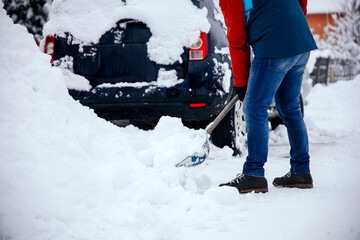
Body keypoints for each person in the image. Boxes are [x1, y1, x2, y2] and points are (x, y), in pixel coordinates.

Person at [218, 0, 317, 193]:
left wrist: (241, 83)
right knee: (290, 108)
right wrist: (291, 24)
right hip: (300, 41)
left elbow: (237, 39)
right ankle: (301, 172)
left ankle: (253, 174)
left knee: (255, 108)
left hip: (273, 45)